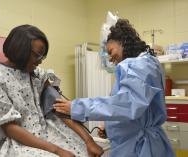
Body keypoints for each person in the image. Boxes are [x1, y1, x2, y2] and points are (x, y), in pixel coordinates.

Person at [0, 25, 103, 157]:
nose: (40, 62)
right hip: (9, 140)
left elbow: (59, 107)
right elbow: (10, 129)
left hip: (40, 132)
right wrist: (58, 151)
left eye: (42, 57)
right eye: (37, 55)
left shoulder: (37, 75)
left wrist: (88, 141)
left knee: (82, 150)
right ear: (19, 50)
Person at [54, 19, 176, 157]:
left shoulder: (140, 66)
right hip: (132, 144)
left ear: (123, 42)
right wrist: (110, 127)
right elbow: (129, 107)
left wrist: (77, 107)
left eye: (110, 51)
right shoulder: (138, 66)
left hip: (141, 148)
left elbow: (127, 104)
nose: (110, 59)